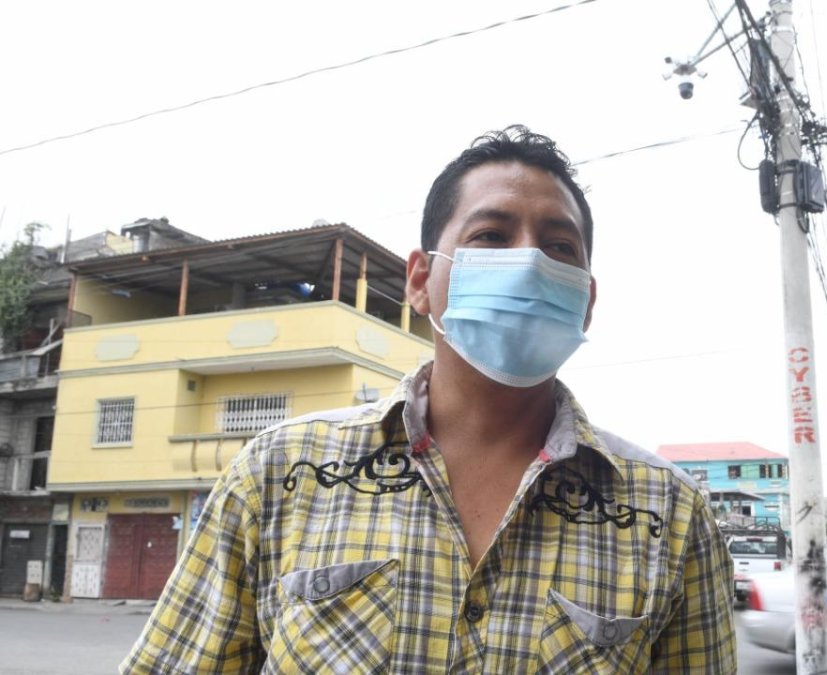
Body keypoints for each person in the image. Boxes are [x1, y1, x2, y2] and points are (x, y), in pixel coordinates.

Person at [120, 125, 737, 674]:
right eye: (492, 235)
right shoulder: (278, 476)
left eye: (559, 247)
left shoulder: (671, 517)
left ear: (587, 297)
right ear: (421, 281)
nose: (526, 262)